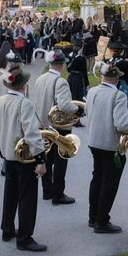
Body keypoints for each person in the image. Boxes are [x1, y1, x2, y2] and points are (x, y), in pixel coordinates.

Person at [0, 66, 48, 251]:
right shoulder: (25, 104)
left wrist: (1, 149)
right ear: (24, 86)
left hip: (7, 154)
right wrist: (40, 159)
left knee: (10, 193)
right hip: (24, 158)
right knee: (27, 197)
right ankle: (24, 238)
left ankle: (7, 229)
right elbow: (31, 133)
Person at [85, 63, 128, 233]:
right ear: (117, 78)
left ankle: (93, 216)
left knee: (97, 178)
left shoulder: (92, 91)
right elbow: (121, 123)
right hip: (110, 144)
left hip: (94, 141)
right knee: (109, 183)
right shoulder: (118, 95)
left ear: (102, 76)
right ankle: (102, 221)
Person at [30, 49, 79, 205]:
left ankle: (47, 191)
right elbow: (64, 105)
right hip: (58, 126)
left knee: (47, 158)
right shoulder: (61, 82)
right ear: (63, 64)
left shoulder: (41, 78)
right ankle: (58, 194)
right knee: (61, 160)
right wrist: (78, 109)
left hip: (42, 124)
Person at [105, 41, 128, 113]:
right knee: (123, 106)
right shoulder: (124, 63)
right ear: (122, 51)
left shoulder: (108, 62)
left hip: (110, 85)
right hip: (122, 86)